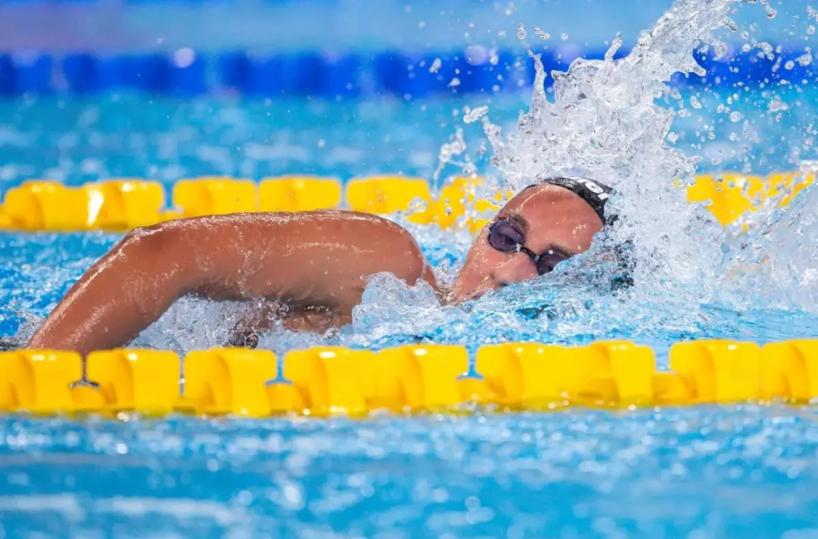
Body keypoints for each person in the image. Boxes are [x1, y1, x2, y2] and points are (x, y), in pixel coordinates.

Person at [27, 176, 612, 355]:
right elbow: (163, 253)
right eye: (508, 236)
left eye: (551, 265)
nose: (509, 270)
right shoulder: (382, 270)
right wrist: (38, 376)